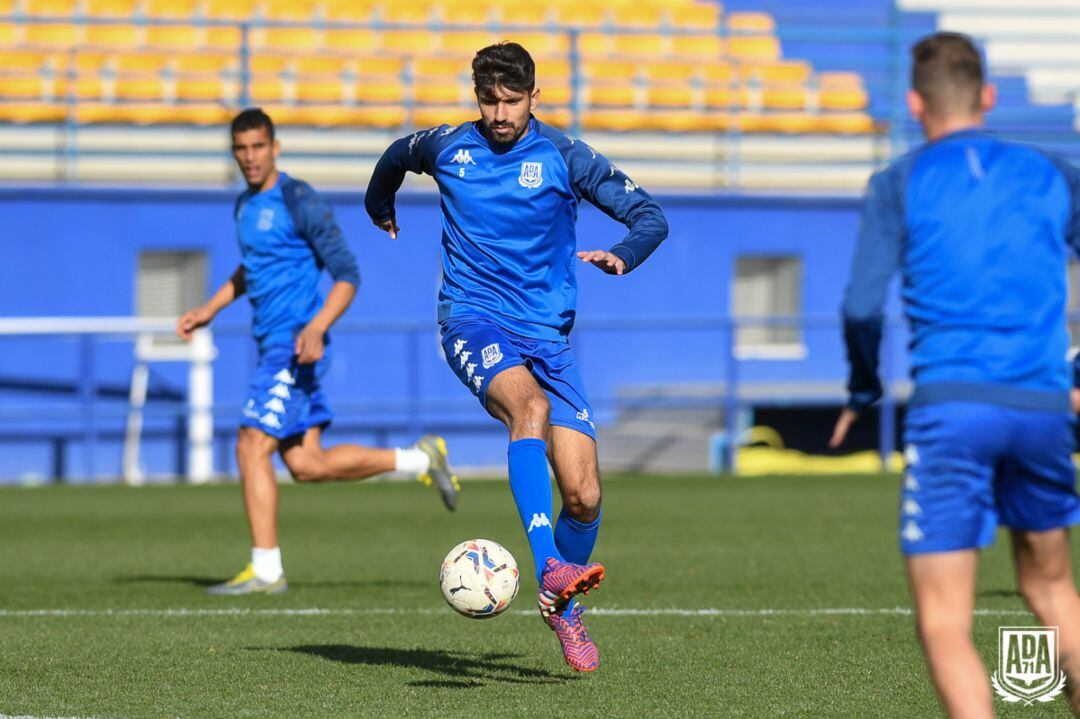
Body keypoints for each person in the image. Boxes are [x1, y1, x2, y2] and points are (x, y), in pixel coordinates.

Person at [365, 43, 668, 671]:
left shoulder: (563, 155)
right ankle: (550, 570)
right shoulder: (450, 146)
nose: (500, 114)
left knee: (583, 495)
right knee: (526, 407)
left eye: (512, 100)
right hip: (472, 319)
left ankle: (563, 608)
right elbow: (397, 156)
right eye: (489, 100)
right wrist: (380, 205)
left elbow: (649, 216)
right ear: (476, 97)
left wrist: (623, 253)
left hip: (546, 335)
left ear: (534, 96)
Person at [830, 32, 1080, 717]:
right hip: (1043, 406)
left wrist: (862, 387)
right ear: (989, 97)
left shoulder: (898, 183)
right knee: (1054, 590)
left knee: (945, 619)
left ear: (915, 104)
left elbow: (859, 309)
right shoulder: (1055, 173)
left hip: (953, 413)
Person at [177, 108, 460, 596]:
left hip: (294, 344)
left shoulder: (298, 199)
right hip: (275, 343)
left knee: (250, 445)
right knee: (307, 465)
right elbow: (253, 269)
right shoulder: (245, 206)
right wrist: (210, 308)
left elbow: (347, 275)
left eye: (257, 147)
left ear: (275, 147)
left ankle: (265, 570)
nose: (249, 157)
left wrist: (316, 327)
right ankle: (418, 459)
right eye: (240, 149)